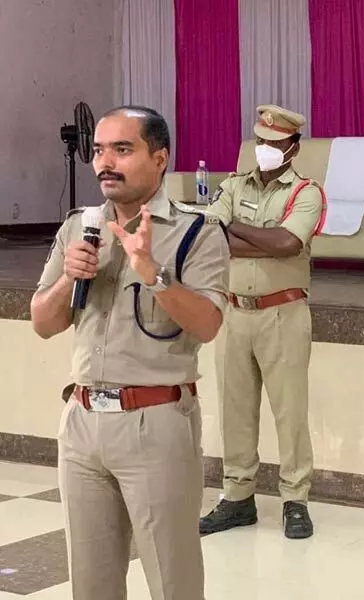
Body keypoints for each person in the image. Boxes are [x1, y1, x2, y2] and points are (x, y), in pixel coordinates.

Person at [29, 105, 230, 600]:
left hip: (155, 423)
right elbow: (42, 321)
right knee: (91, 582)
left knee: (172, 577)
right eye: (98, 150)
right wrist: (69, 281)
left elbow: (206, 325)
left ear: (159, 159)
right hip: (81, 423)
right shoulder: (79, 226)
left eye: (123, 149)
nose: (104, 163)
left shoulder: (196, 232)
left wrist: (154, 273)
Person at [199, 104, 326, 539]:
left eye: (275, 143)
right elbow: (209, 236)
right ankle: (237, 498)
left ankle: (295, 499)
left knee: (289, 412)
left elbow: (289, 243)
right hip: (234, 312)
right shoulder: (233, 185)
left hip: (282, 313)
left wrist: (237, 231)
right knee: (234, 410)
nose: (266, 149)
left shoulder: (306, 193)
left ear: (293, 147)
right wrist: (256, 239)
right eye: (261, 142)